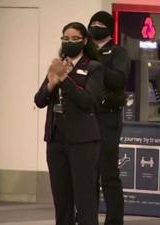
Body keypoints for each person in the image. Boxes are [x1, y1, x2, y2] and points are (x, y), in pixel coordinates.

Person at [34, 22, 104, 225]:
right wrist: (51, 83)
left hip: (82, 141)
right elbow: (39, 101)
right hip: (56, 140)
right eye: (65, 38)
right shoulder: (58, 66)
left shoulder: (94, 68)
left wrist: (65, 79)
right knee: (61, 198)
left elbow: (88, 102)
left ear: (84, 41)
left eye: (74, 39)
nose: (69, 42)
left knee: (84, 197)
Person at [88, 11, 130, 225]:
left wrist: (97, 65)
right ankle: (86, 218)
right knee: (88, 175)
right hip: (87, 118)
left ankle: (114, 220)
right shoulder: (85, 52)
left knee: (108, 174)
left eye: (99, 24)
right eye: (92, 23)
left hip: (108, 119)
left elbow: (119, 79)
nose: (95, 27)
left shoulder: (117, 52)